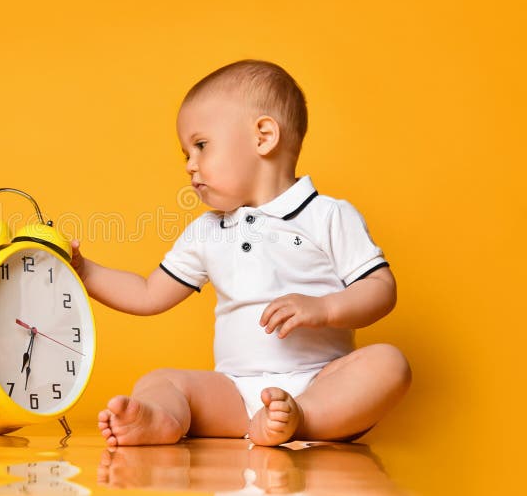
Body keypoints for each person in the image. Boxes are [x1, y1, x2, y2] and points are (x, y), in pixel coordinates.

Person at [70, 60, 411, 447]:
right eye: (185, 153)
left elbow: (381, 287)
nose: (189, 165)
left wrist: (325, 308)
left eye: (200, 145)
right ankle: (161, 419)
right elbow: (148, 293)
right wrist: (84, 272)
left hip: (320, 381)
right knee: (160, 380)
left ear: (263, 136)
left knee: (388, 364)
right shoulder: (207, 231)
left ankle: (300, 418)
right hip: (233, 393)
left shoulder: (327, 215)